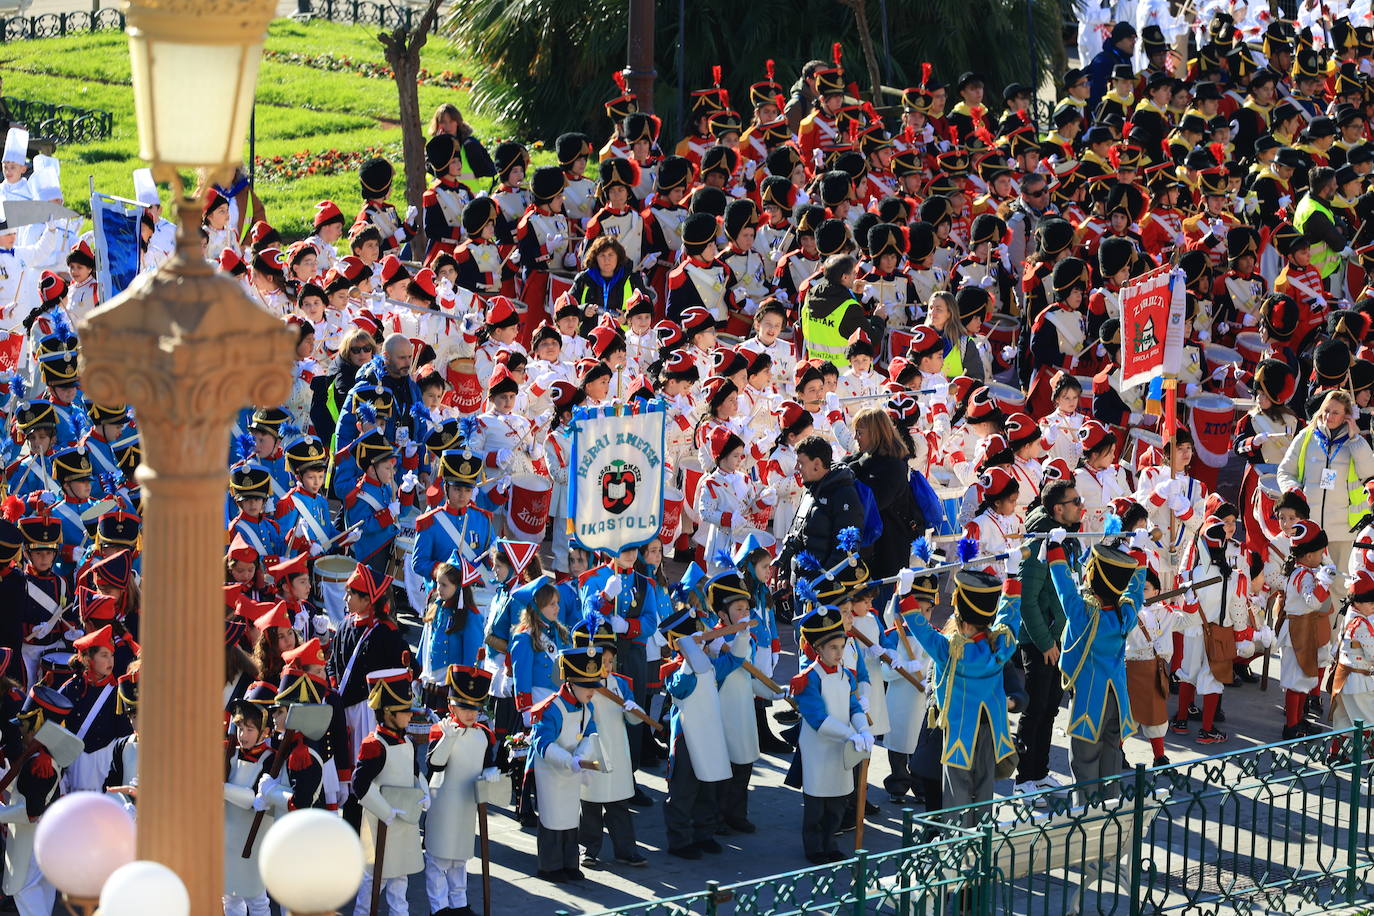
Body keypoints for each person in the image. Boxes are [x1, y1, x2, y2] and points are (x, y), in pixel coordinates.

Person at [1049, 536, 1146, 799]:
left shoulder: (1083, 614)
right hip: (1117, 699)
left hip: (1090, 701)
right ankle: (1109, 812)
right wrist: (1138, 553)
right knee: (1111, 758)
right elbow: (1135, 592)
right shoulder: (1125, 613)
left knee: (1084, 763)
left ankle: (1085, 816)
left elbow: (1064, 590)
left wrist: (1054, 549)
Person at [1013, 477, 1082, 796]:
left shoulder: (1064, 537)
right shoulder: (1040, 542)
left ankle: (1039, 773)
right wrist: (1045, 642)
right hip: (1039, 642)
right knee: (1035, 709)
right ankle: (1024, 779)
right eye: (1075, 502)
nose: (1080, 506)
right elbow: (1026, 600)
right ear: (1058, 509)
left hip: (1057, 639)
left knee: (1051, 708)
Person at [791, 603, 871, 862]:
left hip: (841, 747)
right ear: (818, 649)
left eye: (842, 647)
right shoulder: (808, 679)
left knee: (838, 798)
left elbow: (853, 706)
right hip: (818, 747)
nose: (839, 653)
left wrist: (863, 729)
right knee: (817, 802)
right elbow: (817, 719)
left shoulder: (846, 675)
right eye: (833, 648)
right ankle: (814, 847)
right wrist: (850, 735)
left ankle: (830, 843)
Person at [425, 665, 501, 916]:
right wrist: (447, 739)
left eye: (475, 708)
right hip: (444, 801)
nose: (470, 713)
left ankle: (459, 903)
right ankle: (439, 907)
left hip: (467, 804)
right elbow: (435, 764)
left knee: (459, 857)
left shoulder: (483, 735)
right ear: (452, 706)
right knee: (438, 857)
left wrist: (491, 771)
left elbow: (487, 762)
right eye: (464, 707)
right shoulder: (442, 731)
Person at [352, 669, 427, 916]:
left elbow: (414, 773)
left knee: (400, 878)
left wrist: (423, 793)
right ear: (388, 712)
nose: (410, 715)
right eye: (404, 711)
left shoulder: (407, 742)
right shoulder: (374, 746)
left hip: (404, 821)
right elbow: (359, 785)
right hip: (381, 823)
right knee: (374, 880)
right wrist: (385, 811)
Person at [528, 646, 604, 881]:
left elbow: (590, 733)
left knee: (571, 817)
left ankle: (570, 863)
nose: (592, 691)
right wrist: (569, 760)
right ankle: (549, 866)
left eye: (594, 685)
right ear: (570, 683)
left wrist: (580, 757)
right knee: (552, 818)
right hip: (551, 771)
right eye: (587, 686)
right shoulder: (551, 708)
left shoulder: (587, 706)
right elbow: (542, 743)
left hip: (573, 768)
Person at [778, 436, 865, 582]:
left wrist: (822, 581)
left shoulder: (844, 494)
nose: (796, 468)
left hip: (824, 589)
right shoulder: (809, 491)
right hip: (803, 583)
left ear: (817, 464)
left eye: (800, 463)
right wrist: (786, 572)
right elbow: (797, 534)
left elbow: (845, 549)